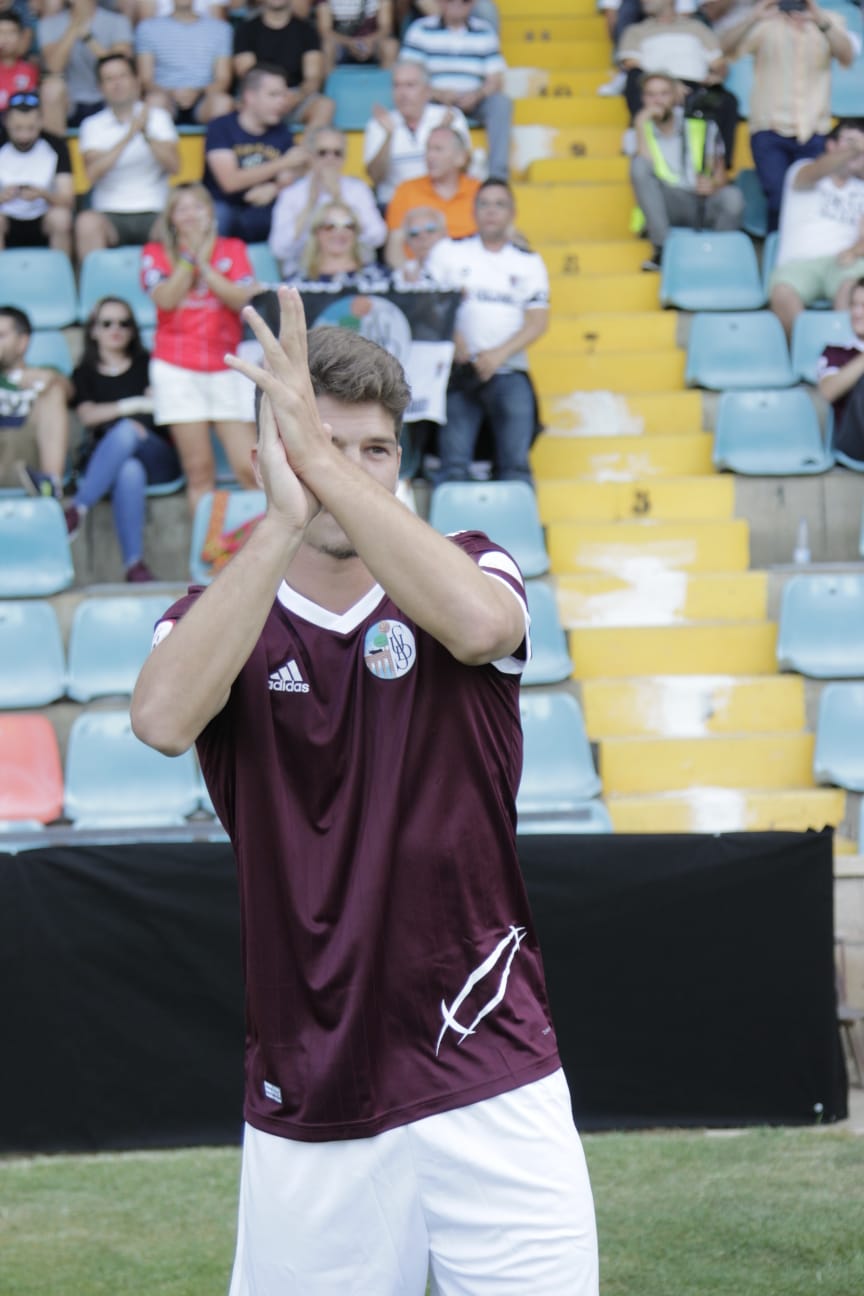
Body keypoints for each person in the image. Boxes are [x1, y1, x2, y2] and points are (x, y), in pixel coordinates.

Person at [130, 284, 599, 1296]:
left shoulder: (472, 566)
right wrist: (289, 507)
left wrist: (326, 474)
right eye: (316, 444)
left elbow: (480, 628)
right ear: (268, 461)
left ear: (403, 462)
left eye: (372, 450)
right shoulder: (214, 619)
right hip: (311, 1085)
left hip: (488, 1068)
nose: (347, 468)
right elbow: (162, 720)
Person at [141, 183, 258, 512]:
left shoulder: (233, 248)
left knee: (251, 469)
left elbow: (240, 300)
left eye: (198, 206)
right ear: (171, 218)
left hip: (228, 365)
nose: (191, 214)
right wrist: (190, 258)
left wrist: (205, 263)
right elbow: (166, 299)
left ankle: (264, 554)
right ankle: (208, 559)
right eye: (182, 208)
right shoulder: (155, 252)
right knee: (199, 472)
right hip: (176, 368)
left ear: (211, 213)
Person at [425, 178, 548, 485]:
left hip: (509, 369)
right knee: (453, 465)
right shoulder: (448, 252)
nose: (491, 211)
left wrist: (497, 355)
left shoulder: (528, 261)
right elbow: (427, 305)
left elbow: (538, 321)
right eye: (484, 204)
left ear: (512, 212)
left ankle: (515, 529)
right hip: (459, 369)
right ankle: (452, 533)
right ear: (473, 210)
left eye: (499, 204)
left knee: (515, 466)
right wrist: (455, 341)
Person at [65, 296, 182, 582]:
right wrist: (138, 405)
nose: (115, 329)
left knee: (128, 431)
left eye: (124, 323)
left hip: (160, 457)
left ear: (132, 330)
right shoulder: (84, 373)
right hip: (112, 460)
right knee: (129, 469)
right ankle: (134, 565)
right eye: (106, 323)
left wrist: (128, 416)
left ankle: (78, 508)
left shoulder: (150, 364)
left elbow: (168, 406)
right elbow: (88, 416)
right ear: (93, 330)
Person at [722, 0, 858, 232]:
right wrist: (754, 17)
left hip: (814, 130)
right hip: (769, 129)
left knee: (809, 200)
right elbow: (724, 47)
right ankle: (779, 257)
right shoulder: (765, 23)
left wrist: (817, 17)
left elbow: (846, 56)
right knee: (779, 199)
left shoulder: (829, 19)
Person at [630, 71, 744, 270]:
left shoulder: (700, 123)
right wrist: (640, 124)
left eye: (664, 93)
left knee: (733, 197)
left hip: (700, 201)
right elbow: (643, 168)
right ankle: (663, 249)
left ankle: (716, 256)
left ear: (676, 95)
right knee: (638, 165)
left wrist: (713, 184)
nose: (657, 101)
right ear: (643, 98)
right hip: (666, 204)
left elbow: (721, 175)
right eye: (651, 94)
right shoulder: (638, 128)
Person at [74, 53, 179, 262]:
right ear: (100, 87)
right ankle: (95, 292)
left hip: (156, 209)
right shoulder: (92, 125)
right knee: (86, 223)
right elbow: (92, 173)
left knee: (182, 219)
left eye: (122, 76)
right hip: (108, 213)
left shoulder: (158, 118)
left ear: (136, 80)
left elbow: (174, 165)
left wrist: (147, 134)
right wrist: (130, 134)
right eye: (109, 79)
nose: (117, 84)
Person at [769, 120, 864, 338]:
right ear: (830, 146)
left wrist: (854, 252)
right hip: (798, 264)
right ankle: (810, 353)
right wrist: (856, 150)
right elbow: (816, 171)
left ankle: (847, 354)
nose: (856, 150)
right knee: (782, 292)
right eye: (849, 142)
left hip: (843, 262)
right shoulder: (801, 169)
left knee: (854, 289)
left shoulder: (862, 189)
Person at [617, 0, 739, 167]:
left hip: (695, 89)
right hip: (655, 88)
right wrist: (671, 85)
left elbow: (719, 64)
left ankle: (719, 168)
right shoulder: (636, 31)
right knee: (634, 78)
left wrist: (715, 76)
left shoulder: (697, 28)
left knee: (727, 101)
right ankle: (639, 132)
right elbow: (631, 64)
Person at [400, 0, 512, 181]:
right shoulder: (420, 30)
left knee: (501, 103)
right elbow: (407, 75)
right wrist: (437, 94)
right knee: (411, 97)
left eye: (465, 0)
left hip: (475, 99)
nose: (457, 3)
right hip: (432, 100)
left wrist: (477, 95)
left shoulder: (485, 30)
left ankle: (497, 177)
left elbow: (495, 79)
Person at [204, 64, 306, 244]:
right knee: (219, 216)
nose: (282, 101)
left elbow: (291, 175)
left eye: (283, 95)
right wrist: (283, 163)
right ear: (250, 96)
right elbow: (230, 182)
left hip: (263, 207)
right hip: (225, 205)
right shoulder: (221, 127)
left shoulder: (282, 132)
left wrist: (275, 189)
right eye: (273, 95)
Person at [267, 125, 386, 277]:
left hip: (356, 274)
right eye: (322, 153)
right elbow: (280, 249)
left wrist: (339, 199)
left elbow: (377, 237)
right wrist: (309, 204)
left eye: (337, 153)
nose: (330, 159)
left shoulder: (358, 189)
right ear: (310, 155)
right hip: (306, 276)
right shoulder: (292, 194)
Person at [363, 58, 469, 208]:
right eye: (397, 86)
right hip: (394, 205)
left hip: (441, 203)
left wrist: (441, 134)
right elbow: (375, 177)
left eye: (410, 85)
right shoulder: (379, 123)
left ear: (427, 90)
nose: (402, 93)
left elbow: (463, 166)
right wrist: (389, 136)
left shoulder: (450, 117)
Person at [0, 304, 70, 498]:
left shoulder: (44, 371)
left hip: (27, 453)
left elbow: (69, 391)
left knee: (54, 392)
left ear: (22, 342)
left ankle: (50, 486)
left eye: (1, 336)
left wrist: (48, 378)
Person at [385, 123, 479, 267]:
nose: (430, 156)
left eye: (438, 150)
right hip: (419, 276)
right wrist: (405, 279)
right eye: (428, 149)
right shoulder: (406, 190)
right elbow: (395, 246)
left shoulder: (479, 191)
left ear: (460, 158)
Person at [232, 0, 333, 131]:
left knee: (325, 105)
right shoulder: (246, 30)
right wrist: (273, 96)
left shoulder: (307, 30)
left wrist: (296, 97)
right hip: (260, 94)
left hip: (294, 95)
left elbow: (313, 78)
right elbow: (247, 74)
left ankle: (304, 151)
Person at [37, 0, 133, 137]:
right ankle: (58, 152)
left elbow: (117, 67)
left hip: (107, 94)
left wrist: (88, 37)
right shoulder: (48, 24)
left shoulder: (117, 21)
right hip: (70, 100)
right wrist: (74, 26)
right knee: (51, 88)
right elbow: (53, 67)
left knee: (120, 79)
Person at [135, 0, 233, 127]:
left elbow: (223, 79)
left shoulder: (221, 29)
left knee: (223, 103)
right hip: (165, 97)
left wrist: (197, 92)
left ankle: (218, 146)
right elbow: (146, 79)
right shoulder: (147, 28)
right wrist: (171, 93)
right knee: (154, 102)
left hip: (204, 98)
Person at [0, 90, 74, 256]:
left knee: (61, 218)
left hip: (43, 220)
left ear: (41, 121)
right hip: (6, 219)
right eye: (17, 128)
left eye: (31, 128)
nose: (24, 136)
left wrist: (43, 194)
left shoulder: (57, 146)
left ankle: (59, 277)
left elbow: (68, 200)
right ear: (6, 122)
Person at [818, 276, 864, 465]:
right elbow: (827, 391)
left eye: (863, 305)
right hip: (854, 440)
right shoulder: (836, 350)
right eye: (853, 305)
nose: (856, 312)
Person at [0, 12, 37, 114]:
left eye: (11, 32)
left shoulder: (31, 69)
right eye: (1, 33)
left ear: (21, 37)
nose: (5, 38)